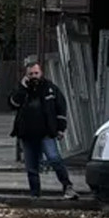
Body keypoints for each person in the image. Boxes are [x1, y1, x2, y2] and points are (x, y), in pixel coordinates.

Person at [10, 58, 77, 199]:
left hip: (46, 132)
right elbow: (13, 103)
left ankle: (67, 187)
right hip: (27, 134)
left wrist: (60, 129)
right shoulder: (22, 90)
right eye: (31, 74)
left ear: (41, 73)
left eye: (36, 73)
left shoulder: (50, 88)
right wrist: (22, 89)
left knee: (54, 158)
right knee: (31, 167)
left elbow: (61, 107)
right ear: (26, 75)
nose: (34, 76)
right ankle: (35, 195)